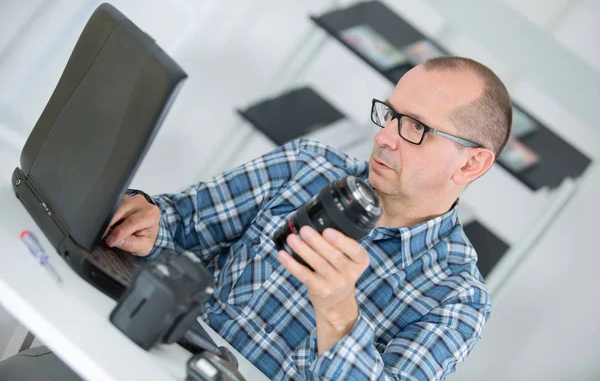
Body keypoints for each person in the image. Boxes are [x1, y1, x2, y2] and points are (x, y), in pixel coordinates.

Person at [0, 56, 511, 380]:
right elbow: (183, 222)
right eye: (390, 114)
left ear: (472, 163)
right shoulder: (310, 164)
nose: (385, 136)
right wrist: (152, 222)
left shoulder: (456, 298)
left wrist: (338, 312)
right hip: (147, 356)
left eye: (415, 128)